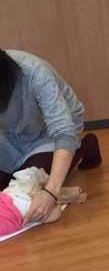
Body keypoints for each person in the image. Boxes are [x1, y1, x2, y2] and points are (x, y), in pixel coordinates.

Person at [0, 49, 101, 224]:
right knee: (10, 191)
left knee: (32, 183)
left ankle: (86, 145)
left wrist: (50, 193)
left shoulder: (34, 72)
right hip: (14, 133)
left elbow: (63, 132)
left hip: (55, 129)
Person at [0, 166, 86, 236]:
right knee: (29, 177)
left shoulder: (21, 211)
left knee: (52, 212)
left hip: (18, 208)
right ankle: (48, 193)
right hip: (10, 194)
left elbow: (56, 213)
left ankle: (55, 196)